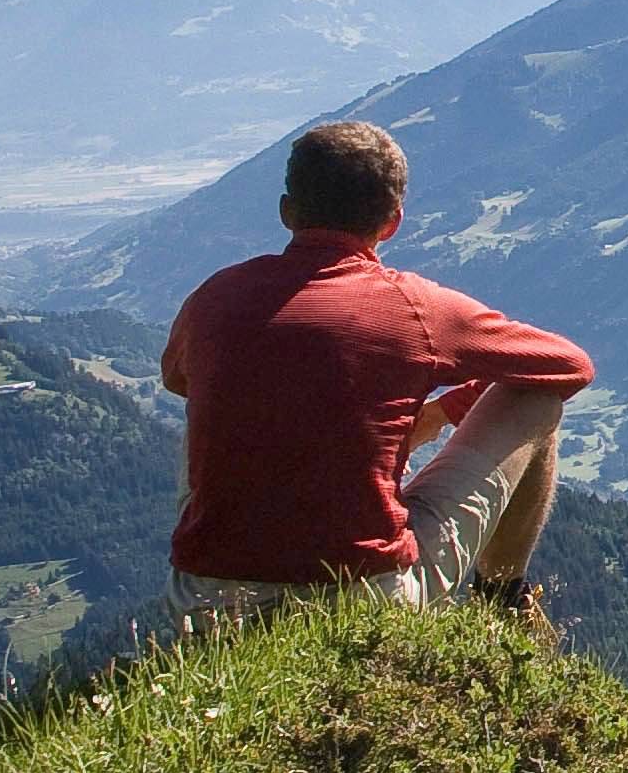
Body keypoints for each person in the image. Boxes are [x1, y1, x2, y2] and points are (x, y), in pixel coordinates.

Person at [161, 119, 591, 623]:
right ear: (393, 222)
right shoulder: (417, 307)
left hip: (206, 604)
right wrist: (441, 412)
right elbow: (570, 366)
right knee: (536, 400)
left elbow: (178, 380)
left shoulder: (215, 297)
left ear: (286, 212)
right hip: (363, 600)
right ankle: (502, 606)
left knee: (216, 398)